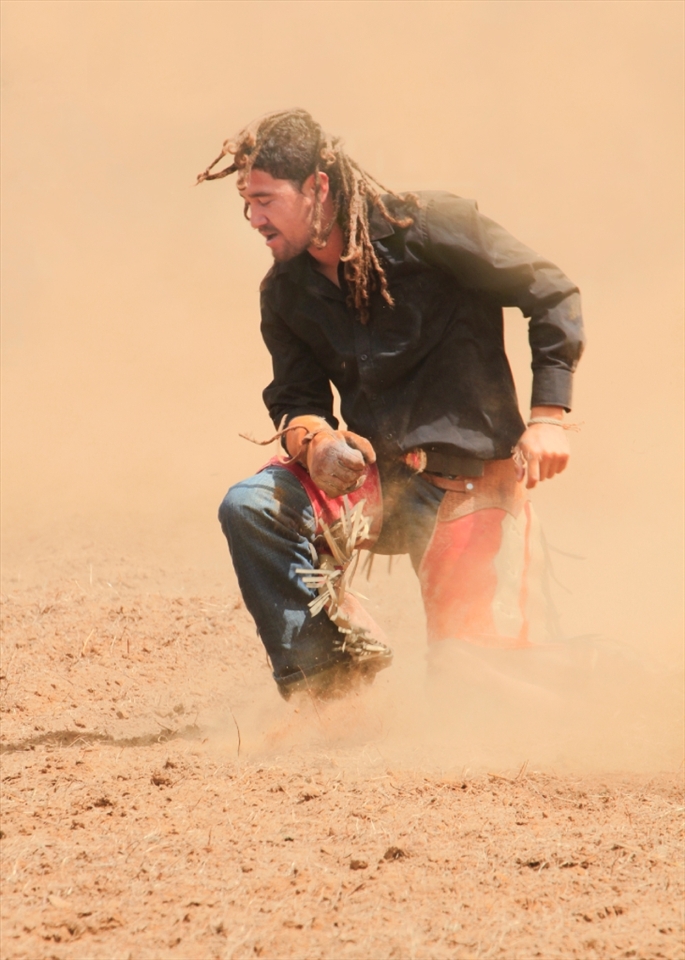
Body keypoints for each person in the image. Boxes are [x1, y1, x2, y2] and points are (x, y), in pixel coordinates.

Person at [197, 109, 585, 701]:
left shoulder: (429, 227)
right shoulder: (285, 291)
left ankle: (624, 688)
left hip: (471, 488)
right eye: (247, 202)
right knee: (252, 506)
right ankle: (327, 691)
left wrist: (548, 417)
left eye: (266, 199)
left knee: (469, 684)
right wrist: (319, 442)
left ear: (317, 187)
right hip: (381, 489)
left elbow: (551, 291)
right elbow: (298, 400)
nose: (254, 218)